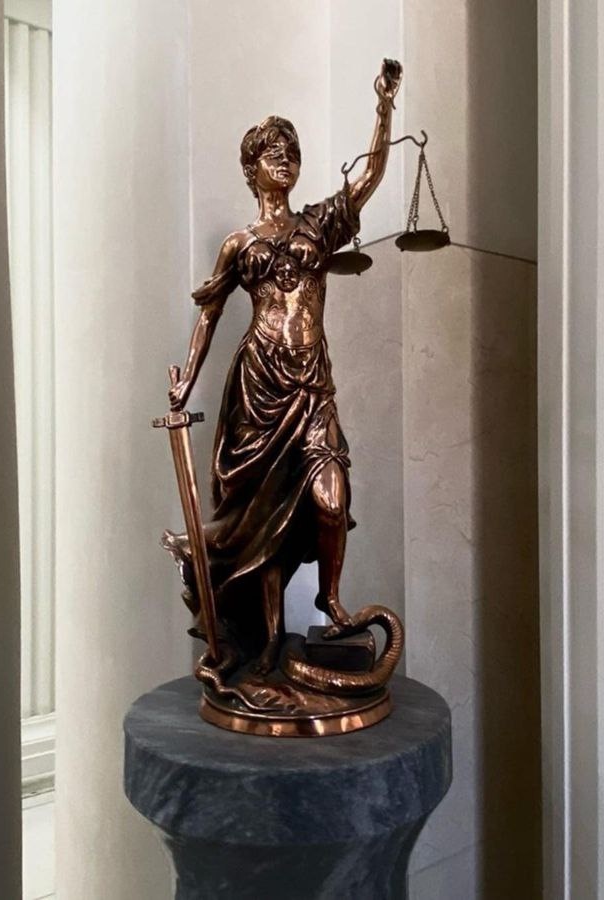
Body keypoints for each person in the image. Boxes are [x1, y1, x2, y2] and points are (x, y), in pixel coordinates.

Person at [165, 59, 403, 677]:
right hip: (257, 386)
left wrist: (383, 109)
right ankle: (269, 640)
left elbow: (369, 177)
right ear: (252, 169)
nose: (285, 159)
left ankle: (330, 598)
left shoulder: (318, 224)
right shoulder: (239, 244)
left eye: (292, 152)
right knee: (262, 524)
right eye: (273, 152)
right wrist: (185, 381)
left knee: (330, 499)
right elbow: (210, 315)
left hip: (310, 384)